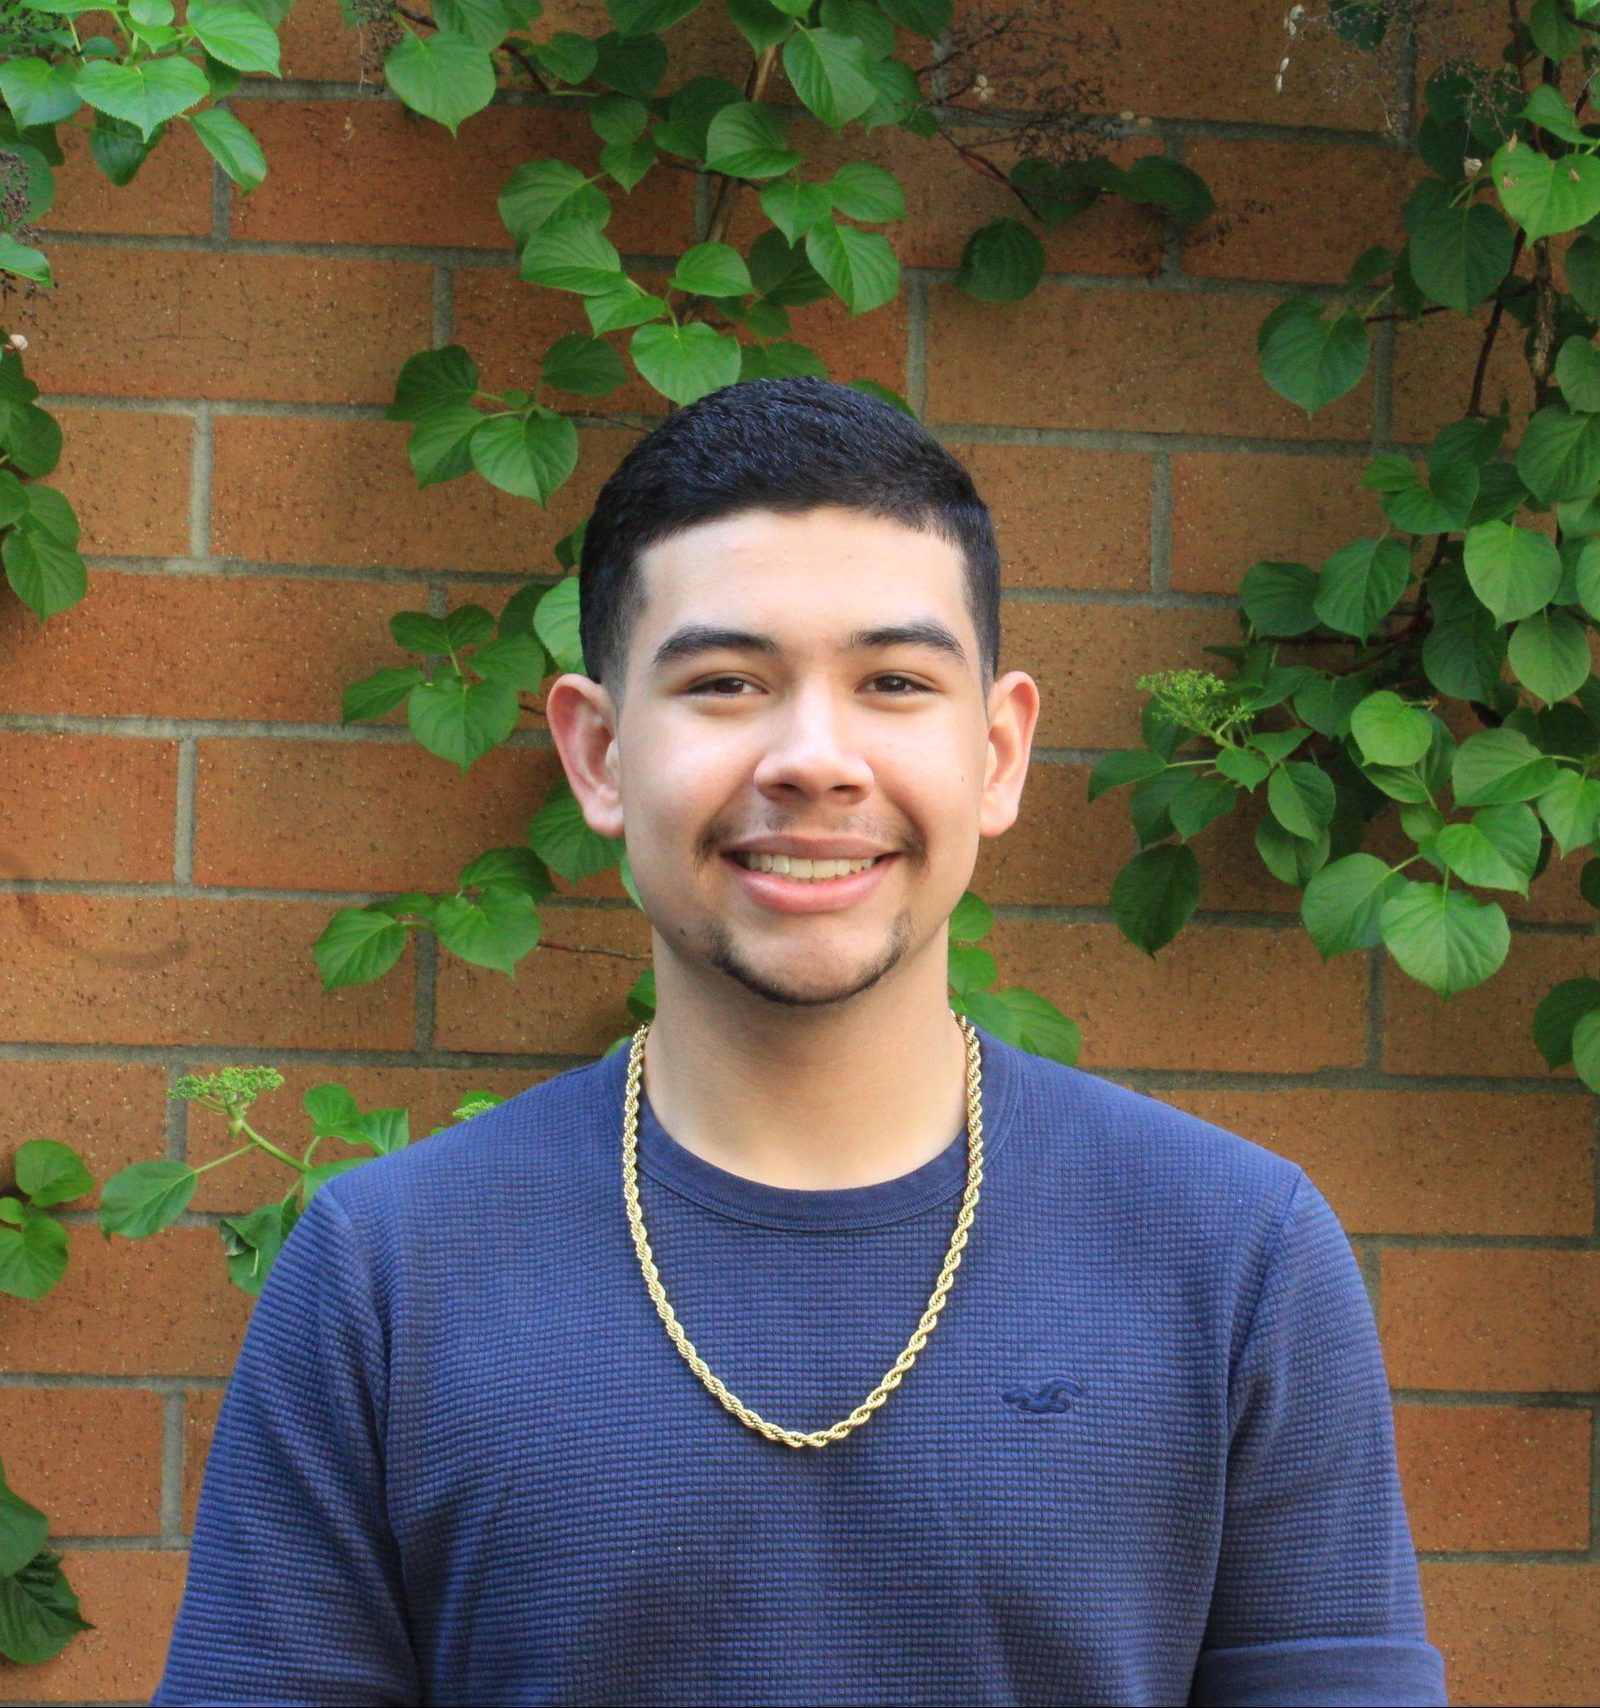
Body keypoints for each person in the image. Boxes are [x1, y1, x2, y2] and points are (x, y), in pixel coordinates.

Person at [152, 376, 1448, 1707]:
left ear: (996, 752)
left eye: (892, 681)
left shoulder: (1234, 1254)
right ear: (597, 753)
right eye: (726, 683)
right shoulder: (388, 1276)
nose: (813, 759)